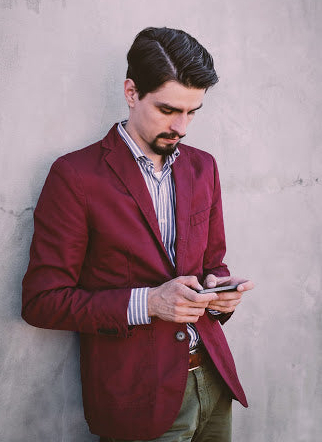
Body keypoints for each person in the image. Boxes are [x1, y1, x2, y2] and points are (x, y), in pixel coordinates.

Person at [22, 27, 254, 442]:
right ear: (132, 92)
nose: (182, 126)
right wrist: (149, 302)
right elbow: (42, 302)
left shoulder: (203, 168)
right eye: (168, 110)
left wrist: (220, 295)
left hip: (214, 381)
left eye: (193, 111)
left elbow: (211, 266)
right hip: (137, 398)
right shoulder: (75, 176)